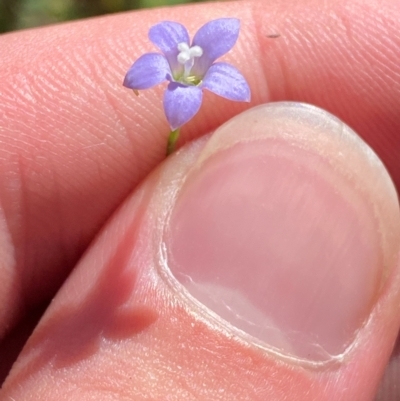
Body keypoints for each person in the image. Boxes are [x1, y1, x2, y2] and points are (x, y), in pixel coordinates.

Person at [0, 0, 399, 400]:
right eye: (181, 66)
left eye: (193, 69)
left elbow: (229, 83)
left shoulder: (217, 77)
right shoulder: (172, 75)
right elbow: (154, 62)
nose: (187, 68)